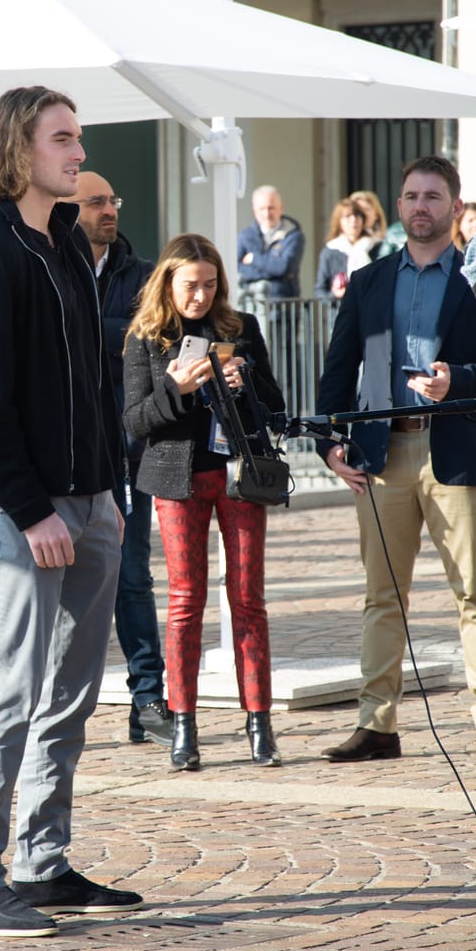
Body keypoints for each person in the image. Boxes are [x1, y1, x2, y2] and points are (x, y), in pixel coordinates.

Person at [0, 86, 142, 939]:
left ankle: (40, 862)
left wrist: (107, 495)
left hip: (91, 502)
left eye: (78, 136)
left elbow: (92, 381)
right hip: (19, 510)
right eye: (63, 138)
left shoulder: (64, 239)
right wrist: (33, 512)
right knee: (13, 688)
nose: (77, 150)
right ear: (20, 148)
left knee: (71, 692)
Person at [316, 155, 476, 763]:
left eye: (433, 197)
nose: (420, 207)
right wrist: (330, 444)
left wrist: (457, 380)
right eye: (411, 195)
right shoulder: (369, 282)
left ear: (455, 209)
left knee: (475, 595)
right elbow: (338, 372)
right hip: (382, 453)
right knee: (383, 595)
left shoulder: (475, 280)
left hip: (459, 452)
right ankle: (377, 724)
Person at [123, 233, 285, 772]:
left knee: (248, 597)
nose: (200, 297)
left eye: (210, 285)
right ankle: (184, 724)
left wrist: (245, 385)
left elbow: (277, 412)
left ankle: (259, 721)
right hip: (179, 479)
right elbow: (134, 422)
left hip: (238, 475)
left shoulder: (241, 330)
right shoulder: (146, 338)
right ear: (167, 283)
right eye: (190, 285)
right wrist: (178, 390)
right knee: (186, 601)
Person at [69, 170, 171, 747]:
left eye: (114, 199)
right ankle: (54, 707)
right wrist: (116, 339)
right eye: (96, 202)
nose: (110, 210)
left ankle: (147, 699)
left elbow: (151, 341)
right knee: (58, 586)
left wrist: (90, 334)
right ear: (68, 209)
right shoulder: (50, 266)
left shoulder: (143, 275)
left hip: (128, 448)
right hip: (61, 453)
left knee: (132, 576)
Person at [237, 185, 304, 300]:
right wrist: (273, 271)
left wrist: (254, 259)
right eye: (262, 209)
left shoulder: (293, 235)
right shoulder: (245, 236)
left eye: (271, 208)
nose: (267, 214)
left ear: (281, 208)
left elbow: (284, 267)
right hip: (252, 304)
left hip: (282, 307)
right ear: (254, 210)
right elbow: (238, 269)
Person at [314, 197, 379, 301]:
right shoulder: (330, 251)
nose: (353, 220)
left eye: (357, 215)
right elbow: (320, 291)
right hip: (341, 312)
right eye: (347, 216)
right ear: (339, 221)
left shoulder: (376, 246)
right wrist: (335, 294)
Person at [351, 189, 402, 256]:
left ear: (376, 214)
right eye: (358, 210)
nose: (362, 213)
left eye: (366, 209)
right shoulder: (338, 246)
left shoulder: (388, 242)